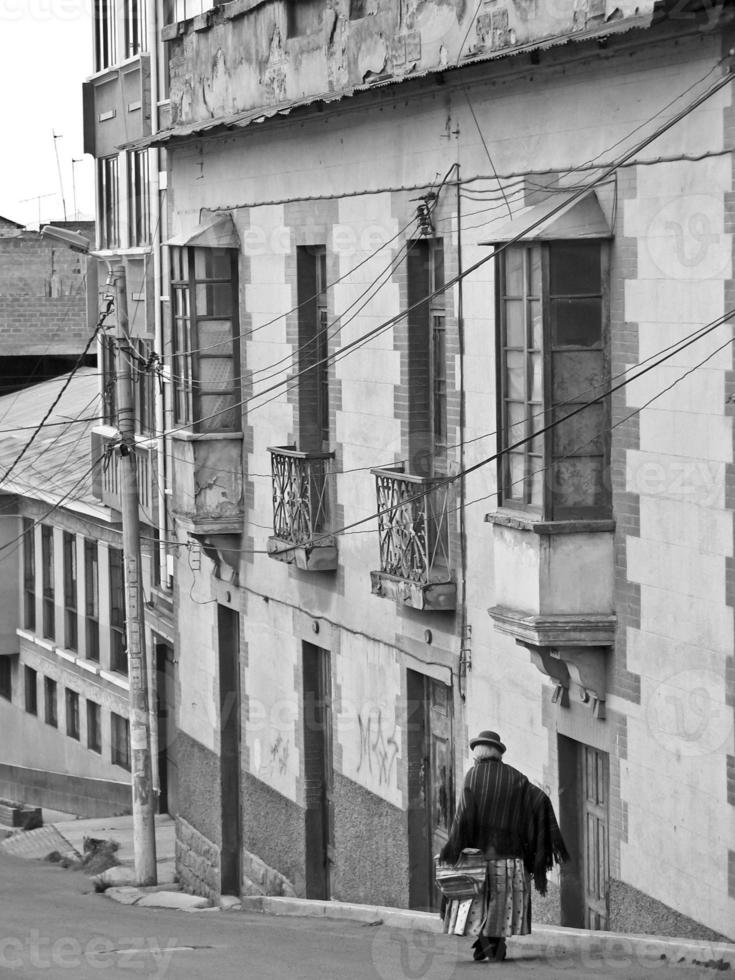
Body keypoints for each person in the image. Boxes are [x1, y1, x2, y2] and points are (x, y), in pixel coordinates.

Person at [438, 730, 568, 962]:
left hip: (480, 861)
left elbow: (463, 817)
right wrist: (536, 842)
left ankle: (487, 943)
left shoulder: (473, 777)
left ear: (478, 756)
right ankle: (490, 943)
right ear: (498, 755)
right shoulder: (517, 778)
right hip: (511, 860)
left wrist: (454, 848)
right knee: (501, 905)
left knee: (481, 904)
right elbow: (541, 800)